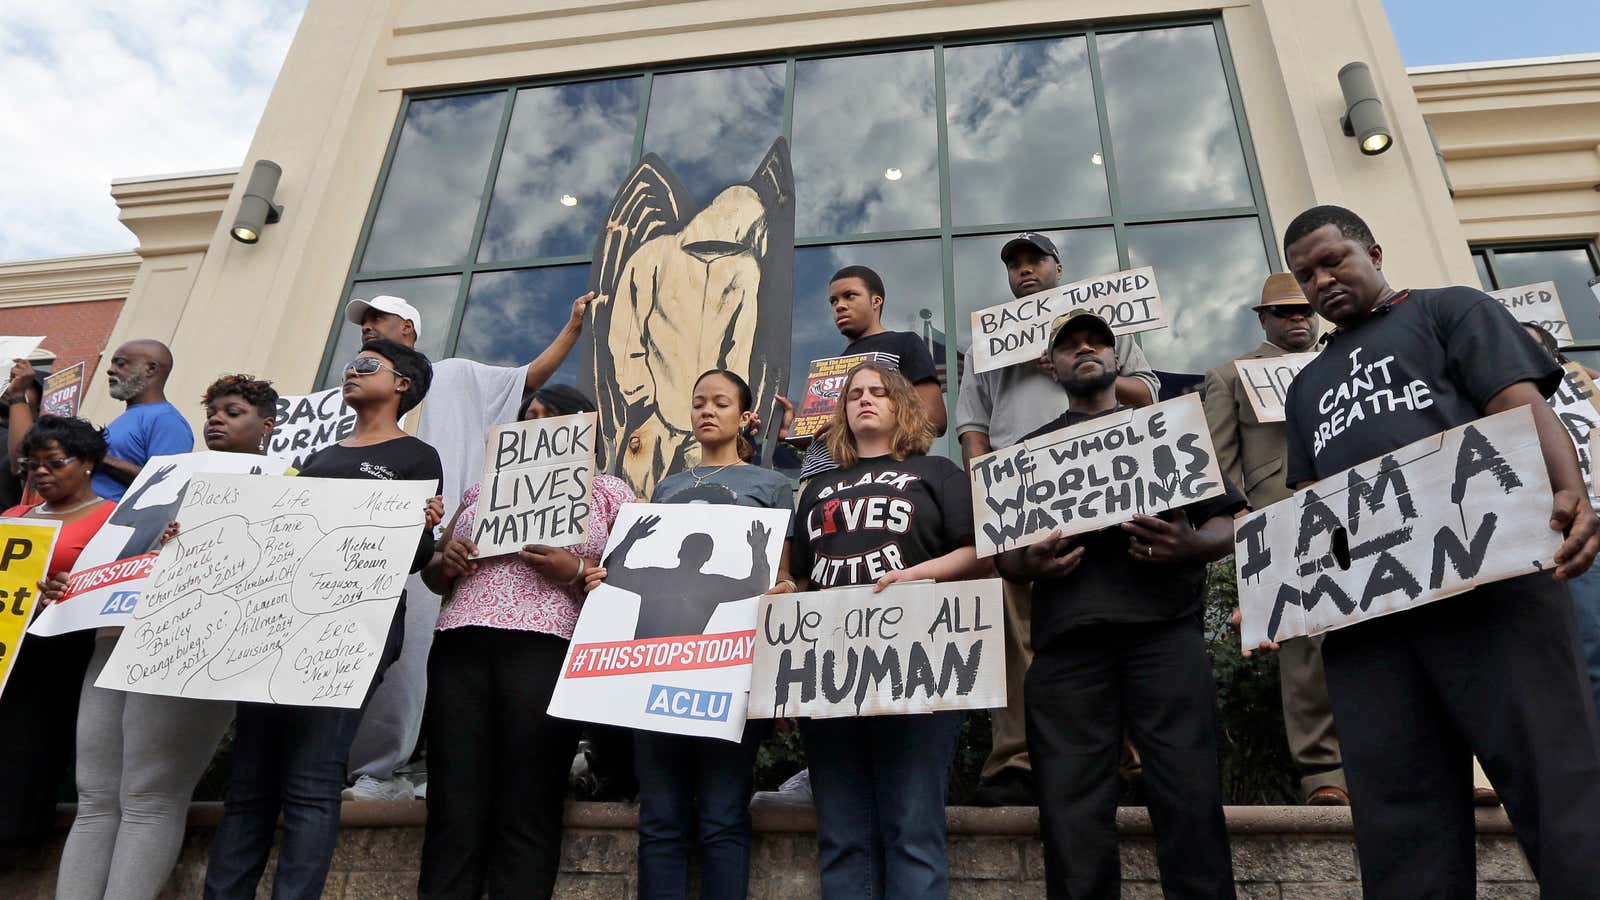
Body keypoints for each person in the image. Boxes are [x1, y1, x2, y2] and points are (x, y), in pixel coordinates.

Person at [1255, 204, 1600, 897]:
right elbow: (1314, 504)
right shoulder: (1307, 386)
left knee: (1557, 785)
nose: (1320, 282)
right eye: (1305, 275)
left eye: (1333, 262)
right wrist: (1277, 594)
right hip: (1374, 625)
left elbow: (1518, 403)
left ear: (1374, 252)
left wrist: (1572, 491)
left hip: (1494, 586)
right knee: (1399, 821)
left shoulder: (1452, 310)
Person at [998, 311, 1242, 899]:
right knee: (1070, 811)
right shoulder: (1027, 452)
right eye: (1070, 346)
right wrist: (1029, 564)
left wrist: (1191, 545)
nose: (1085, 350)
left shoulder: (1167, 430)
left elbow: (1231, 520)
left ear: (1117, 361)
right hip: (1067, 646)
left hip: (1165, 636)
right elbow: (1006, 556)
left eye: (1098, 343)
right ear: (1050, 366)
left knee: (1188, 796)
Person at [203, 340, 444, 900]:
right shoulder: (313, 458)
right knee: (250, 784)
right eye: (350, 364)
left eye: (367, 366)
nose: (351, 372)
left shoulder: (418, 457)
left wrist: (420, 529)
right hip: (277, 623)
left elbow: (409, 560)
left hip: (352, 632)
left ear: (402, 384)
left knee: (313, 780)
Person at [340, 293, 590, 801]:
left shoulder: (454, 375)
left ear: (408, 327)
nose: (367, 328)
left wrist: (572, 328)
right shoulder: (352, 397)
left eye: (377, 319)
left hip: (455, 541)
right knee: (363, 652)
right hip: (363, 548)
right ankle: (354, 765)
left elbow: (529, 379)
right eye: (362, 323)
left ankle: (382, 769)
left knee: (418, 654)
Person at [955, 231, 1162, 807]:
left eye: (1035, 260)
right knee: (1014, 631)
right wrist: (983, 494)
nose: (1024, 271)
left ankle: (1129, 762)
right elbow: (973, 425)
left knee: (1112, 617)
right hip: (1020, 495)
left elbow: (1146, 393)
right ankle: (1015, 762)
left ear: (1057, 267)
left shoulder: (1100, 329)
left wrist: (1075, 366)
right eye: (1015, 264)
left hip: (1105, 482)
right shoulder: (986, 341)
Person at [55, 375, 280, 900]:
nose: (217, 419)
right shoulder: (165, 479)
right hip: (113, 634)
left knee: (150, 795)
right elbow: (117, 549)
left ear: (267, 427)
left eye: (234, 411)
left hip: (189, 643)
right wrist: (76, 583)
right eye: (214, 411)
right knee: (96, 796)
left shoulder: (285, 482)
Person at [770, 361, 988, 898]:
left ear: (901, 406)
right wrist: (786, 591)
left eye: (879, 393)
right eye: (855, 394)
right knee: (842, 836)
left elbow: (978, 551)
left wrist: (914, 575)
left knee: (913, 830)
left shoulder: (937, 474)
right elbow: (795, 574)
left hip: (921, 663)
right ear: (842, 411)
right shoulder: (817, 488)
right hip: (829, 671)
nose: (865, 399)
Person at [417, 386, 634, 900]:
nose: (531, 424)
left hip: (547, 648)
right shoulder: (479, 491)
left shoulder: (609, 492)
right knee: (453, 800)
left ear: (578, 429)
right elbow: (433, 575)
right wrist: (443, 561)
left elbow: (629, 579)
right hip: (460, 646)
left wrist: (576, 567)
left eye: (546, 416)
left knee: (529, 800)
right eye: (526, 416)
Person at [594, 369, 792, 899]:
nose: (707, 410)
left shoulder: (772, 485)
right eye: (699, 401)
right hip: (655, 669)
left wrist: (784, 584)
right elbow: (633, 571)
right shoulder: (667, 487)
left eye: (721, 402)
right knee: (660, 816)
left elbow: (779, 574)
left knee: (724, 814)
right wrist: (609, 567)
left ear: (745, 416)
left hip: (727, 670)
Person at [1200, 274, 1347, 806]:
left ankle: (1421, 766)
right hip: (1281, 520)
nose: (1298, 319)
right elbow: (1220, 466)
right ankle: (1323, 774)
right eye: (1284, 312)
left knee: (1392, 639)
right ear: (1262, 318)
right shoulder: (1229, 377)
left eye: (1305, 311)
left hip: (1362, 509)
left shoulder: (1345, 363)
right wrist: (1247, 528)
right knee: (1305, 649)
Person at [0, 417, 115, 847]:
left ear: (87, 463)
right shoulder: (15, 515)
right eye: (34, 464)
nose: (41, 472)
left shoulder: (111, 518)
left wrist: (72, 588)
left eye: (55, 462)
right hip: (6, 649)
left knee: (28, 751)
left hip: (57, 656)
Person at [793, 266, 947, 482]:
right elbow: (826, 433)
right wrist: (796, 431)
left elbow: (934, 419)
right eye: (833, 301)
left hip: (878, 475)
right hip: (816, 479)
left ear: (876, 301)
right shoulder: (830, 366)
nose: (840, 306)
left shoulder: (903, 343)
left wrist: (853, 422)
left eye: (850, 296)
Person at [92, 340, 194, 501]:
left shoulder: (167, 420)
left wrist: (98, 457)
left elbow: (165, 486)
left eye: (120, 364)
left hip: (113, 522)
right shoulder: (127, 417)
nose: (110, 370)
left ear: (150, 369)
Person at [1, 353, 49, 508]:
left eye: (25, 386)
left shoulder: (45, 441)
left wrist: (18, 396)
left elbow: (23, 462)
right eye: (9, 382)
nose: (11, 387)